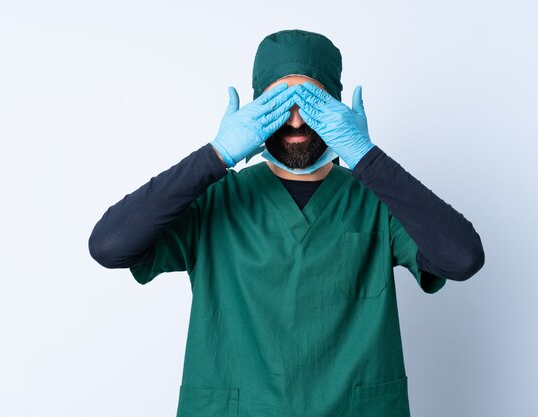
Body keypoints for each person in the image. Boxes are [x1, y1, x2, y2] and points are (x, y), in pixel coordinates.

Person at [88, 29, 485, 417]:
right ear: (256, 108)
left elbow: (462, 257)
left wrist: (367, 158)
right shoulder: (215, 201)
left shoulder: (376, 201)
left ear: (336, 106)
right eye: (279, 103)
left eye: (311, 102)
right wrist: (215, 155)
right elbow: (109, 245)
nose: (295, 121)